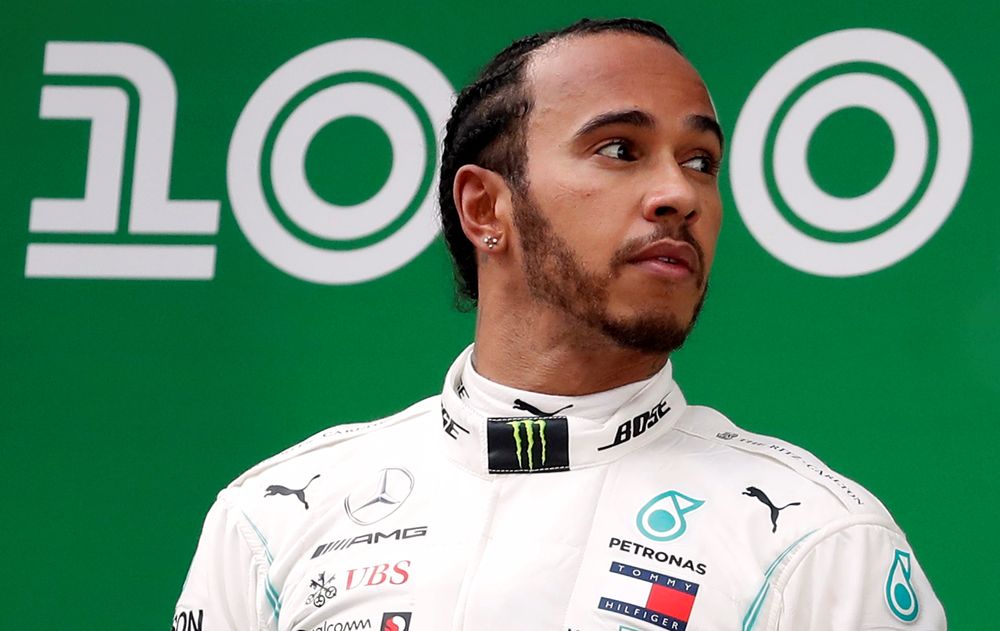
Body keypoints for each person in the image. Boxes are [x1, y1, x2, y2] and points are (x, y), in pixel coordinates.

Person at [173, 17, 946, 631]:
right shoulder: (276, 517)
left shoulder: (820, 543)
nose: (678, 193)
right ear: (485, 208)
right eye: (620, 149)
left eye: (701, 161)